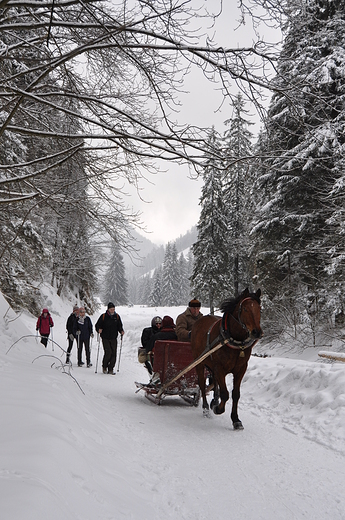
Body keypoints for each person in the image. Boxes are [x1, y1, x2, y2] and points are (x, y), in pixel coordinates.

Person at [145, 315, 177, 383]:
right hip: (175, 361)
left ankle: (155, 378)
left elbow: (148, 348)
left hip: (159, 362)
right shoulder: (177, 336)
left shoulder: (157, 336)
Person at [95, 302, 124, 374]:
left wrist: (121, 331)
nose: (112, 310)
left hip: (114, 337)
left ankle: (111, 368)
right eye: (111, 309)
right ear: (108, 309)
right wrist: (99, 329)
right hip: (105, 337)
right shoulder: (104, 316)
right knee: (108, 352)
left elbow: (119, 326)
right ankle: (104, 366)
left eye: (113, 309)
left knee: (114, 353)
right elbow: (97, 325)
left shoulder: (117, 316)